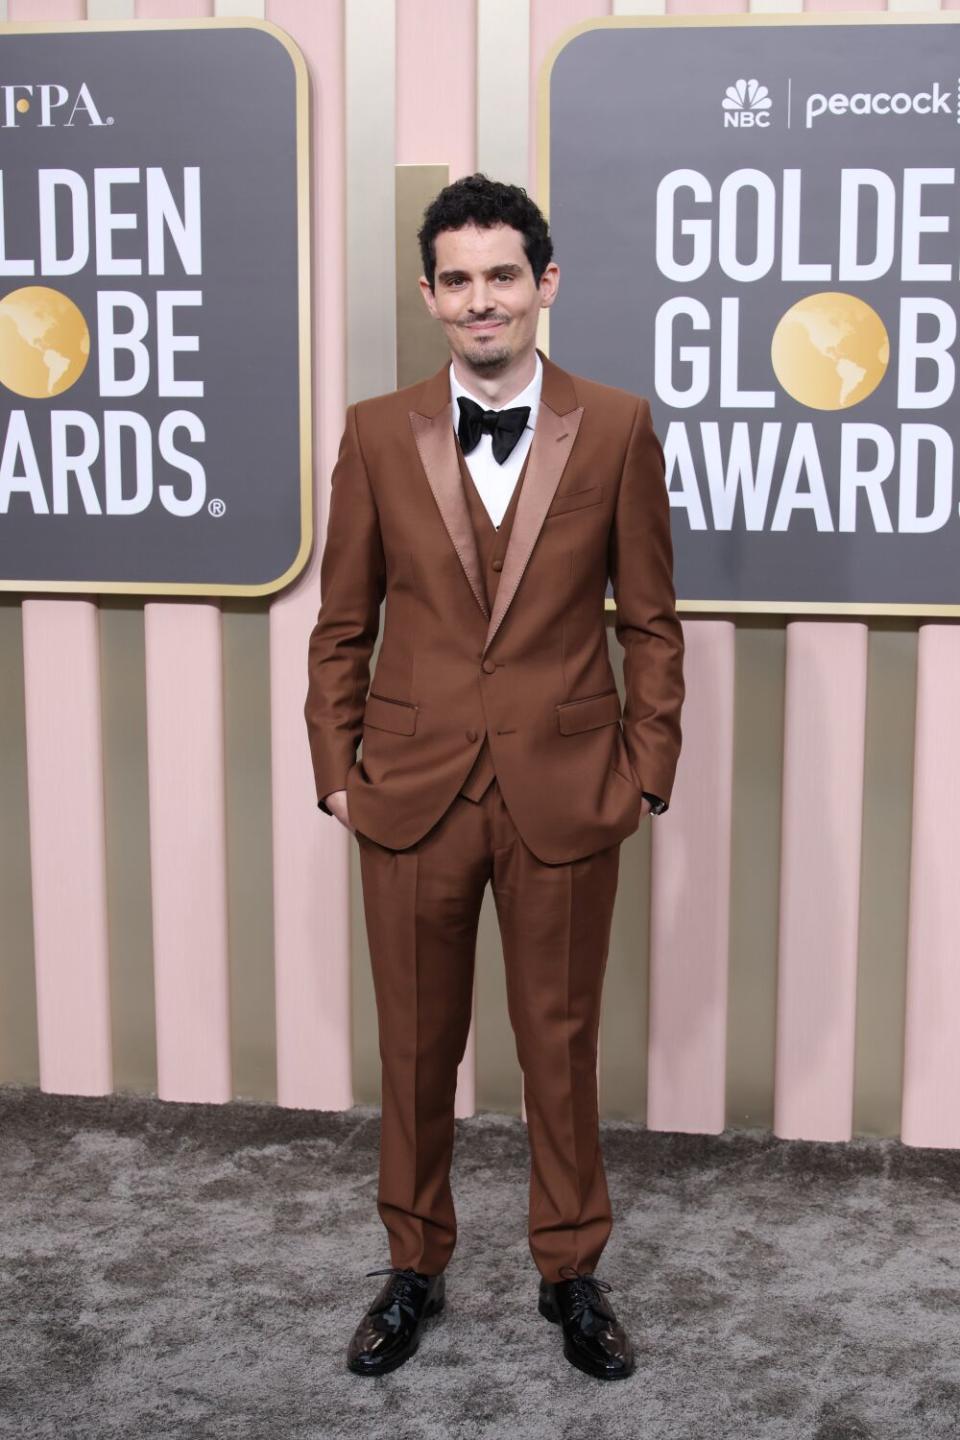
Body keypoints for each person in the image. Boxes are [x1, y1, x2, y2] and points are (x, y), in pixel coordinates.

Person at [304, 173, 684, 1381]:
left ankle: (570, 1274)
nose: (483, 300)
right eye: (458, 280)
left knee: (558, 1047)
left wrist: (647, 775)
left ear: (545, 284)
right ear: (430, 296)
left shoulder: (617, 426)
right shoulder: (374, 431)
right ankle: (413, 1269)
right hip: (408, 793)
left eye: (504, 275)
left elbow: (653, 626)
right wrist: (338, 777)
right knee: (416, 1049)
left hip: (568, 793)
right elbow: (340, 625)